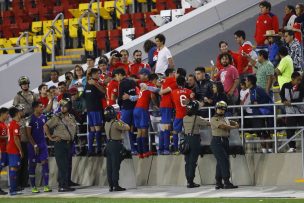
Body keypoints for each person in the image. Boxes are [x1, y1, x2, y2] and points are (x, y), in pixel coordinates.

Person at [44, 98, 77, 192]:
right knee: (62, 166)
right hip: (60, 144)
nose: (63, 108)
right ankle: (62, 186)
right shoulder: (57, 117)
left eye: (65, 106)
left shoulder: (71, 117)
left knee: (66, 165)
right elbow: (46, 126)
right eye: (61, 106)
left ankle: (64, 184)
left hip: (69, 144)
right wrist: (50, 137)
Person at [210, 101, 239, 190]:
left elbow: (229, 122)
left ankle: (218, 183)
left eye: (223, 109)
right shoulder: (214, 118)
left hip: (225, 141)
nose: (221, 110)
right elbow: (223, 126)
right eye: (219, 108)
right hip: (217, 141)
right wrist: (234, 127)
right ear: (216, 108)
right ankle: (226, 182)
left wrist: (234, 123)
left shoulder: (224, 118)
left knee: (220, 162)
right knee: (224, 161)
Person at [26, 101, 52, 193]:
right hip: (33, 145)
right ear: (35, 108)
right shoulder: (29, 119)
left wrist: (50, 137)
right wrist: (34, 145)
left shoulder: (44, 117)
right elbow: (28, 135)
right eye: (41, 107)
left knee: (45, 163)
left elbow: (46, 128)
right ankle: (33, 187)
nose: (42, 108)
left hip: (43, 144)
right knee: (32, 165)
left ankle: (46, 186)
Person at [183, 100, 209, 188]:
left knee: (187, 161)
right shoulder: (197, 118)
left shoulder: (184, 118)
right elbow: (208, 123)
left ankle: (188, 181)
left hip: (186, 139)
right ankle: (191, 181)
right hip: (194, 139)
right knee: (193, 161)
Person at [104, 106, 130, 192]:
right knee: (115, 166)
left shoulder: (106, 123)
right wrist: (120, 120)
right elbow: (127, 127)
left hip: (108, 144)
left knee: (109, 167)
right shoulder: (116, 123)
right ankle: (116, 185)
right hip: (116, 145)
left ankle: (111, 186)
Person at [131, 69, 156, 158]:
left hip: (136, 109)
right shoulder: (150, 85)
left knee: (139, 131)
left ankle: (140, 152)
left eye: (141, 74)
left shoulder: (142, 86)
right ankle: (145, 151)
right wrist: (156, 105)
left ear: (146, 75)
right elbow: (152, 96)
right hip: (142, 109)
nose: (140, 76)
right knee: (144, 130)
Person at [246, 75, 273, 153]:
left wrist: (258, 103)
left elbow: (267, 99)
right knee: (260, 133)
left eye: (247, 80)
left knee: (266, 133)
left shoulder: (259, 89)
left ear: (250, 82)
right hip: (256, 114)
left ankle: (270, 151)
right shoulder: (251, 90)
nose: (245, 82)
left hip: (262, 114)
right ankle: (264, 150)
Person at [83, 68, 106, 156]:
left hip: (91, 109)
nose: (99, 75)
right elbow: (103, 92)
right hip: (95, 109)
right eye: (97, 73)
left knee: (93, 129)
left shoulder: (90, 83)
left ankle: (91, 150)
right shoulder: (92, 83)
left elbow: (85, 95)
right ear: (93, 74)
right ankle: (97, 150)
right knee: (96, 129)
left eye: (99, 73)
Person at [280, 72, 303, 153]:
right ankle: (292, 147)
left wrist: (291, 102)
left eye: (300, 80)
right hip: (290, 113)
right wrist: (284, 101)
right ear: (292, 79)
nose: (299, 81)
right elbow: (281, 95)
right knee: (290, 130)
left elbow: (300, 98)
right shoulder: (285, 86)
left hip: (301, 112)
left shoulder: (301, 87)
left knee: (302, 129)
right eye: (298, 80)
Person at [117, 68, 137, 154]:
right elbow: (135, 94)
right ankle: (134, 149)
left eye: (116, 76)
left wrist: (119, 103)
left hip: (126, 109)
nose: (116, 78)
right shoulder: (132, 82)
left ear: (119, 74)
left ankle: (128, 148)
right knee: (132, 128)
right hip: (134, 108)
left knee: (122, 126)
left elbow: (120, 96)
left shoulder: (122, 83)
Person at [172, 76, 194, 153]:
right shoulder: (189, 91)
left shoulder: (173, 92)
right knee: (188, 132)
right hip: (187, 115)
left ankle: (176, 149)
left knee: (175, 131)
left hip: (178, 115)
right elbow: (192, 97)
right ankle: (188, 148)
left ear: (177, 83)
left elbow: (172, 102)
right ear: (184, 83)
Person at [158, 68, 178, 155]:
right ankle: (165, 149)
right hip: (167, 106)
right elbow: (161, 92)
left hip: (163, 106)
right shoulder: (173, 81)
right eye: (174, 72)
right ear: (171, 73)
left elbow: (160, 92)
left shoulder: (165, 81)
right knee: (166, 128)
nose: (175, 74)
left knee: (163, 128)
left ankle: (161, 148)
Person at [7, 107, 24, 195]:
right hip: (14, 148)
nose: (22, 113)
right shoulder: (15, 124)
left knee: (15, 168)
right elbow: (16, 138)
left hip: (10, 147)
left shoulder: (11, 123)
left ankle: (14, 188)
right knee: (14, 168)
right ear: (17, 113)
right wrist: (21, 150)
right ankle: (13, 190)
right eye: (20, 112)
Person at [0, 107, 9, 195]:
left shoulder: (4, 124)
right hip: (1, 150)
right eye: (6, 114)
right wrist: (7, 137)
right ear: (2, 114)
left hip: (5, 150)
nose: (7, 115)